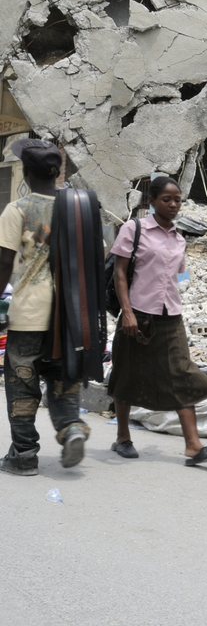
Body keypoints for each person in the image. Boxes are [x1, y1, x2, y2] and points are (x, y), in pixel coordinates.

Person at [107, 176, 207, 466]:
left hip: (171, 316)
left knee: (181, 372)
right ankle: (122, 437)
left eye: (177, 200)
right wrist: (128, 312)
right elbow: (119, 273)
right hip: (138, 315)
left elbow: (176, 276)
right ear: (152, 201)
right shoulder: (134, 229)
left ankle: (193, 447)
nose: (173, 205)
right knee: (126, 374)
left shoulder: (180, 238)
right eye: (166, 199)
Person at [0, 139, 88, 475]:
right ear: (57, 173)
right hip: (70, 315)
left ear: (25, 170)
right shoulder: (80, 207)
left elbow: (4, 264)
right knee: (63, 380)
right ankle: (72, 429)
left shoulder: (17, 210)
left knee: (22, 384)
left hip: (28, 314)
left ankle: (24, 454)